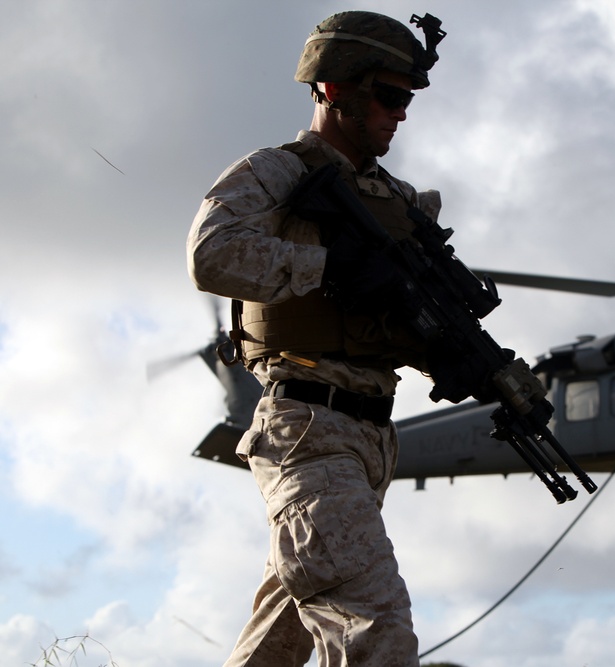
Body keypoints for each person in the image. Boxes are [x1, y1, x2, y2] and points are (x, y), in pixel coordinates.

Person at [186, 10, 446, 666]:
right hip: (309, 427)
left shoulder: (399, 202)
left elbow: (415, 323)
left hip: (370, 441)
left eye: (406, 99)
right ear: (333, 89)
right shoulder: (278, 173)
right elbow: (211, 256)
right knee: (375, 632)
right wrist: (330, 265)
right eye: (388, 97)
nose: (401, 115)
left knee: (279, 642)